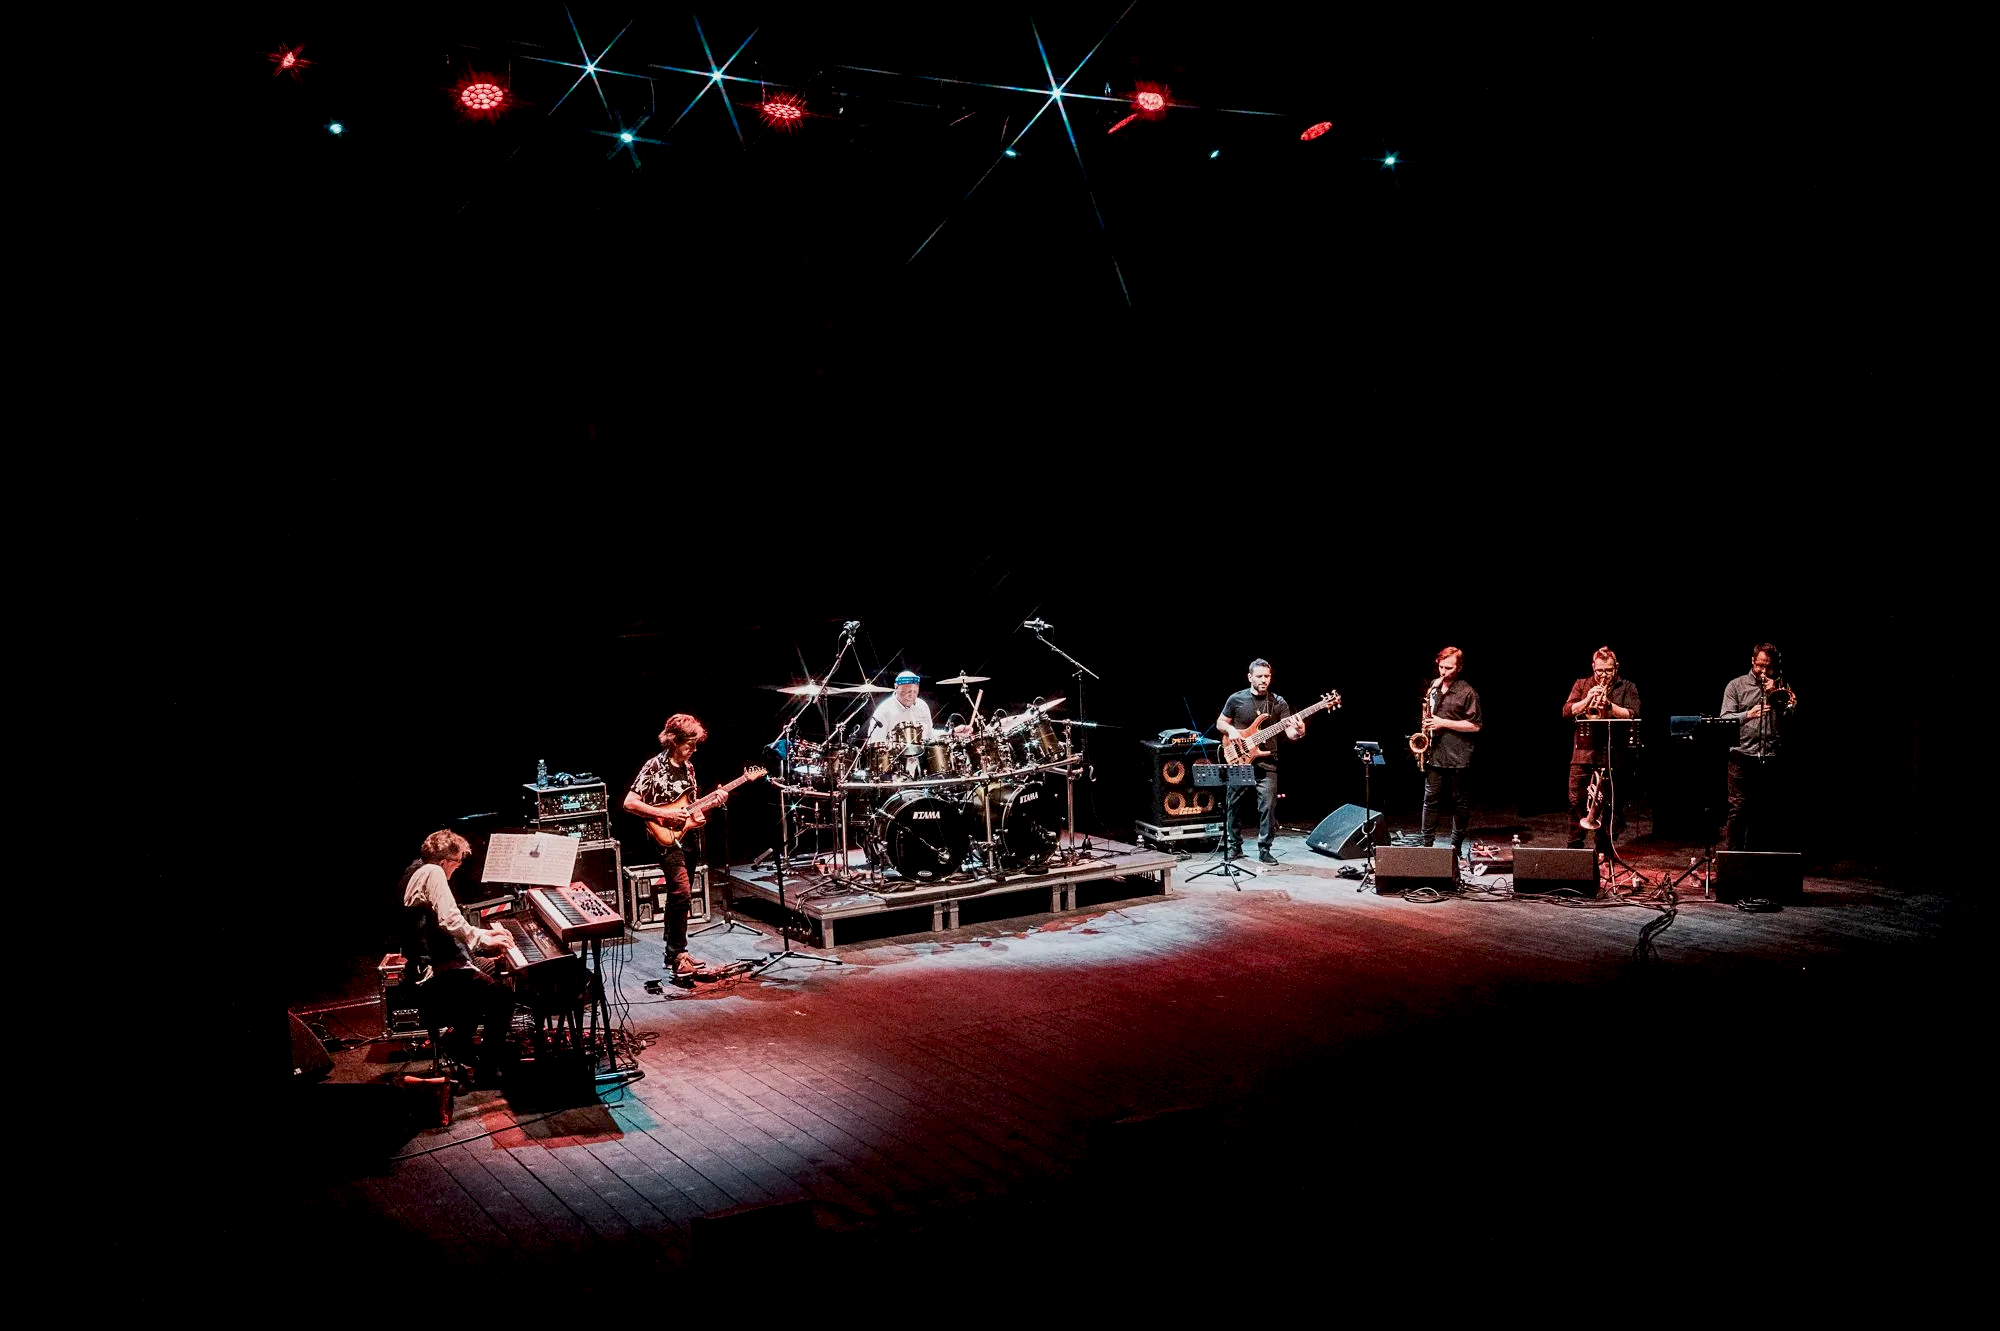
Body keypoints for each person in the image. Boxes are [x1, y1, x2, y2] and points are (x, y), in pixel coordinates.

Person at [398, 830, 517, 1081]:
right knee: (502, 997)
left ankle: (463, 1036)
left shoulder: (412, 871)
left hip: (435, 964)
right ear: (444, 861)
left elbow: (443, 927)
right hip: (436, 972)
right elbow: (450, 920)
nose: (458, 867)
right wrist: (485, 939)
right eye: (458, 862)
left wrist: (483, 935)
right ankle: (484, 1066)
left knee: (496, 968)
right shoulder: (433, 872)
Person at [623, 713, 722, 978]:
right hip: (664, 838)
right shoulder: (654, 766)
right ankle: (679, 954)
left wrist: (707, 808)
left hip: (687, 837)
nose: (694, 749)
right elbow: (629, 803)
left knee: (679, 896)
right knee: (682, 893)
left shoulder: (689, 768)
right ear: (674, 741)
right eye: (690, 744)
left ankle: (674, 952)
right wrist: (664, 814)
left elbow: (689, 808)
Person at [1216, 659, 1307, 863]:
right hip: (1239, 759)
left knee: (1268, 808)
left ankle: (1265, 849)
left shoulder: (1278, 702)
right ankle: (1234, 847)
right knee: (1233, 806)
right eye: (1259, 676)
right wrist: (1231, 730)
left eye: (1267, 676)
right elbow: (1220, 723)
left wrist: (1300, 730)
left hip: (1267, 763)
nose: (1264, 680)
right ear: (1250, 677)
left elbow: (1290, 733)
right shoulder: (1236, 699)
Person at [1718, 643, 1797, 851]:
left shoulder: (1781, 686)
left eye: (1768, 667)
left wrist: (1776, 694)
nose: (1763, 670)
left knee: (1764, 812)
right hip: (1742, 756)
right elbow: (1725, 718)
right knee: (1738, 809)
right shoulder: (1736, 686)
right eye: (1760, 665)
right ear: (1752, 661)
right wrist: (1748, 714)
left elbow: (1791, 718)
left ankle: (1756, 861)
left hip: (1770, 757)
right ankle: (1733, 859)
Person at [1560, 647, 1641, 850]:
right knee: (1576, 801)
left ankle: (1604, 851)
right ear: (1593, 667)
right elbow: (1567, 711)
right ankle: (1575, 849)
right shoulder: (1582, 684)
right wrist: (1588, 700)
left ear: (1616, 668)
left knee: (1610, 805)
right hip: (1583, 754)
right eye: (1599, 671)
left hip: (1614, 754)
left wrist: (1610, 706)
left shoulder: (1627, 687)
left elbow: (1633, 713)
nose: (1603, 675)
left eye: (1608, 670)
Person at [1419, 647, 1482, 862]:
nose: (1443, 671)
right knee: (1430, 800)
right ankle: (1427, 845)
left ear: (1459, 668)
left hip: (1458, 754)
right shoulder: (1433, 688)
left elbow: (1475, 726)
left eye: (1449, 668)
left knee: (1459, 802)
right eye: (1441, 667)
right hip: (1435, 751)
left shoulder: (1468, 692)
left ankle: (1456, 846)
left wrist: (1442, 722)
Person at [866, 670, 940, 742]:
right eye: (908, 691)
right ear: (896, 687)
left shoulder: (922, 706)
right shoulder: (883, 711)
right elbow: (875, 742)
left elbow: (929, 734)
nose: (911, 696)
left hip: (923, 749)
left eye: (915, 692)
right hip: (894, 750)